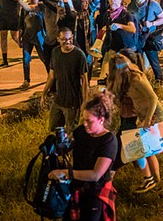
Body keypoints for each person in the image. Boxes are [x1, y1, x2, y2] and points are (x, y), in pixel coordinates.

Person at [48, 91, 117, 221]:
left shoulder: (109, 141)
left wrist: (65, 173)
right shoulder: (81, 131)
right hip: (76, 188)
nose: (85, 124)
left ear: (101, 120)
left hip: (95, 193)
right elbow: (68, 149)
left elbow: (96, 175)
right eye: (84, 120)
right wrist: (62, 144)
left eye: (89, 121)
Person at [107, 51, 163, 194]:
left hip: (153, 115)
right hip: (144, 115)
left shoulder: (136, 78)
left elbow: (153, 98)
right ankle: (156, 182)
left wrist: (147, 120)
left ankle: (150, 180)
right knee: (147, 150)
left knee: (142, 148)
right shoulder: (126, 78)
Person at [41, 27, 89, 132]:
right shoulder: (55, 52)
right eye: (64, 39)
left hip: (72, 103)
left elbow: (85, 80)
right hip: (58, 101)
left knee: (71, 133)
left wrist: (85, 102)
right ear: (58, 39)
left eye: (69, 39)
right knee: (53, 131)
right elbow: (51, 76)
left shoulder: (79, 55)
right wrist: (44, 93)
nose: (67, 42)